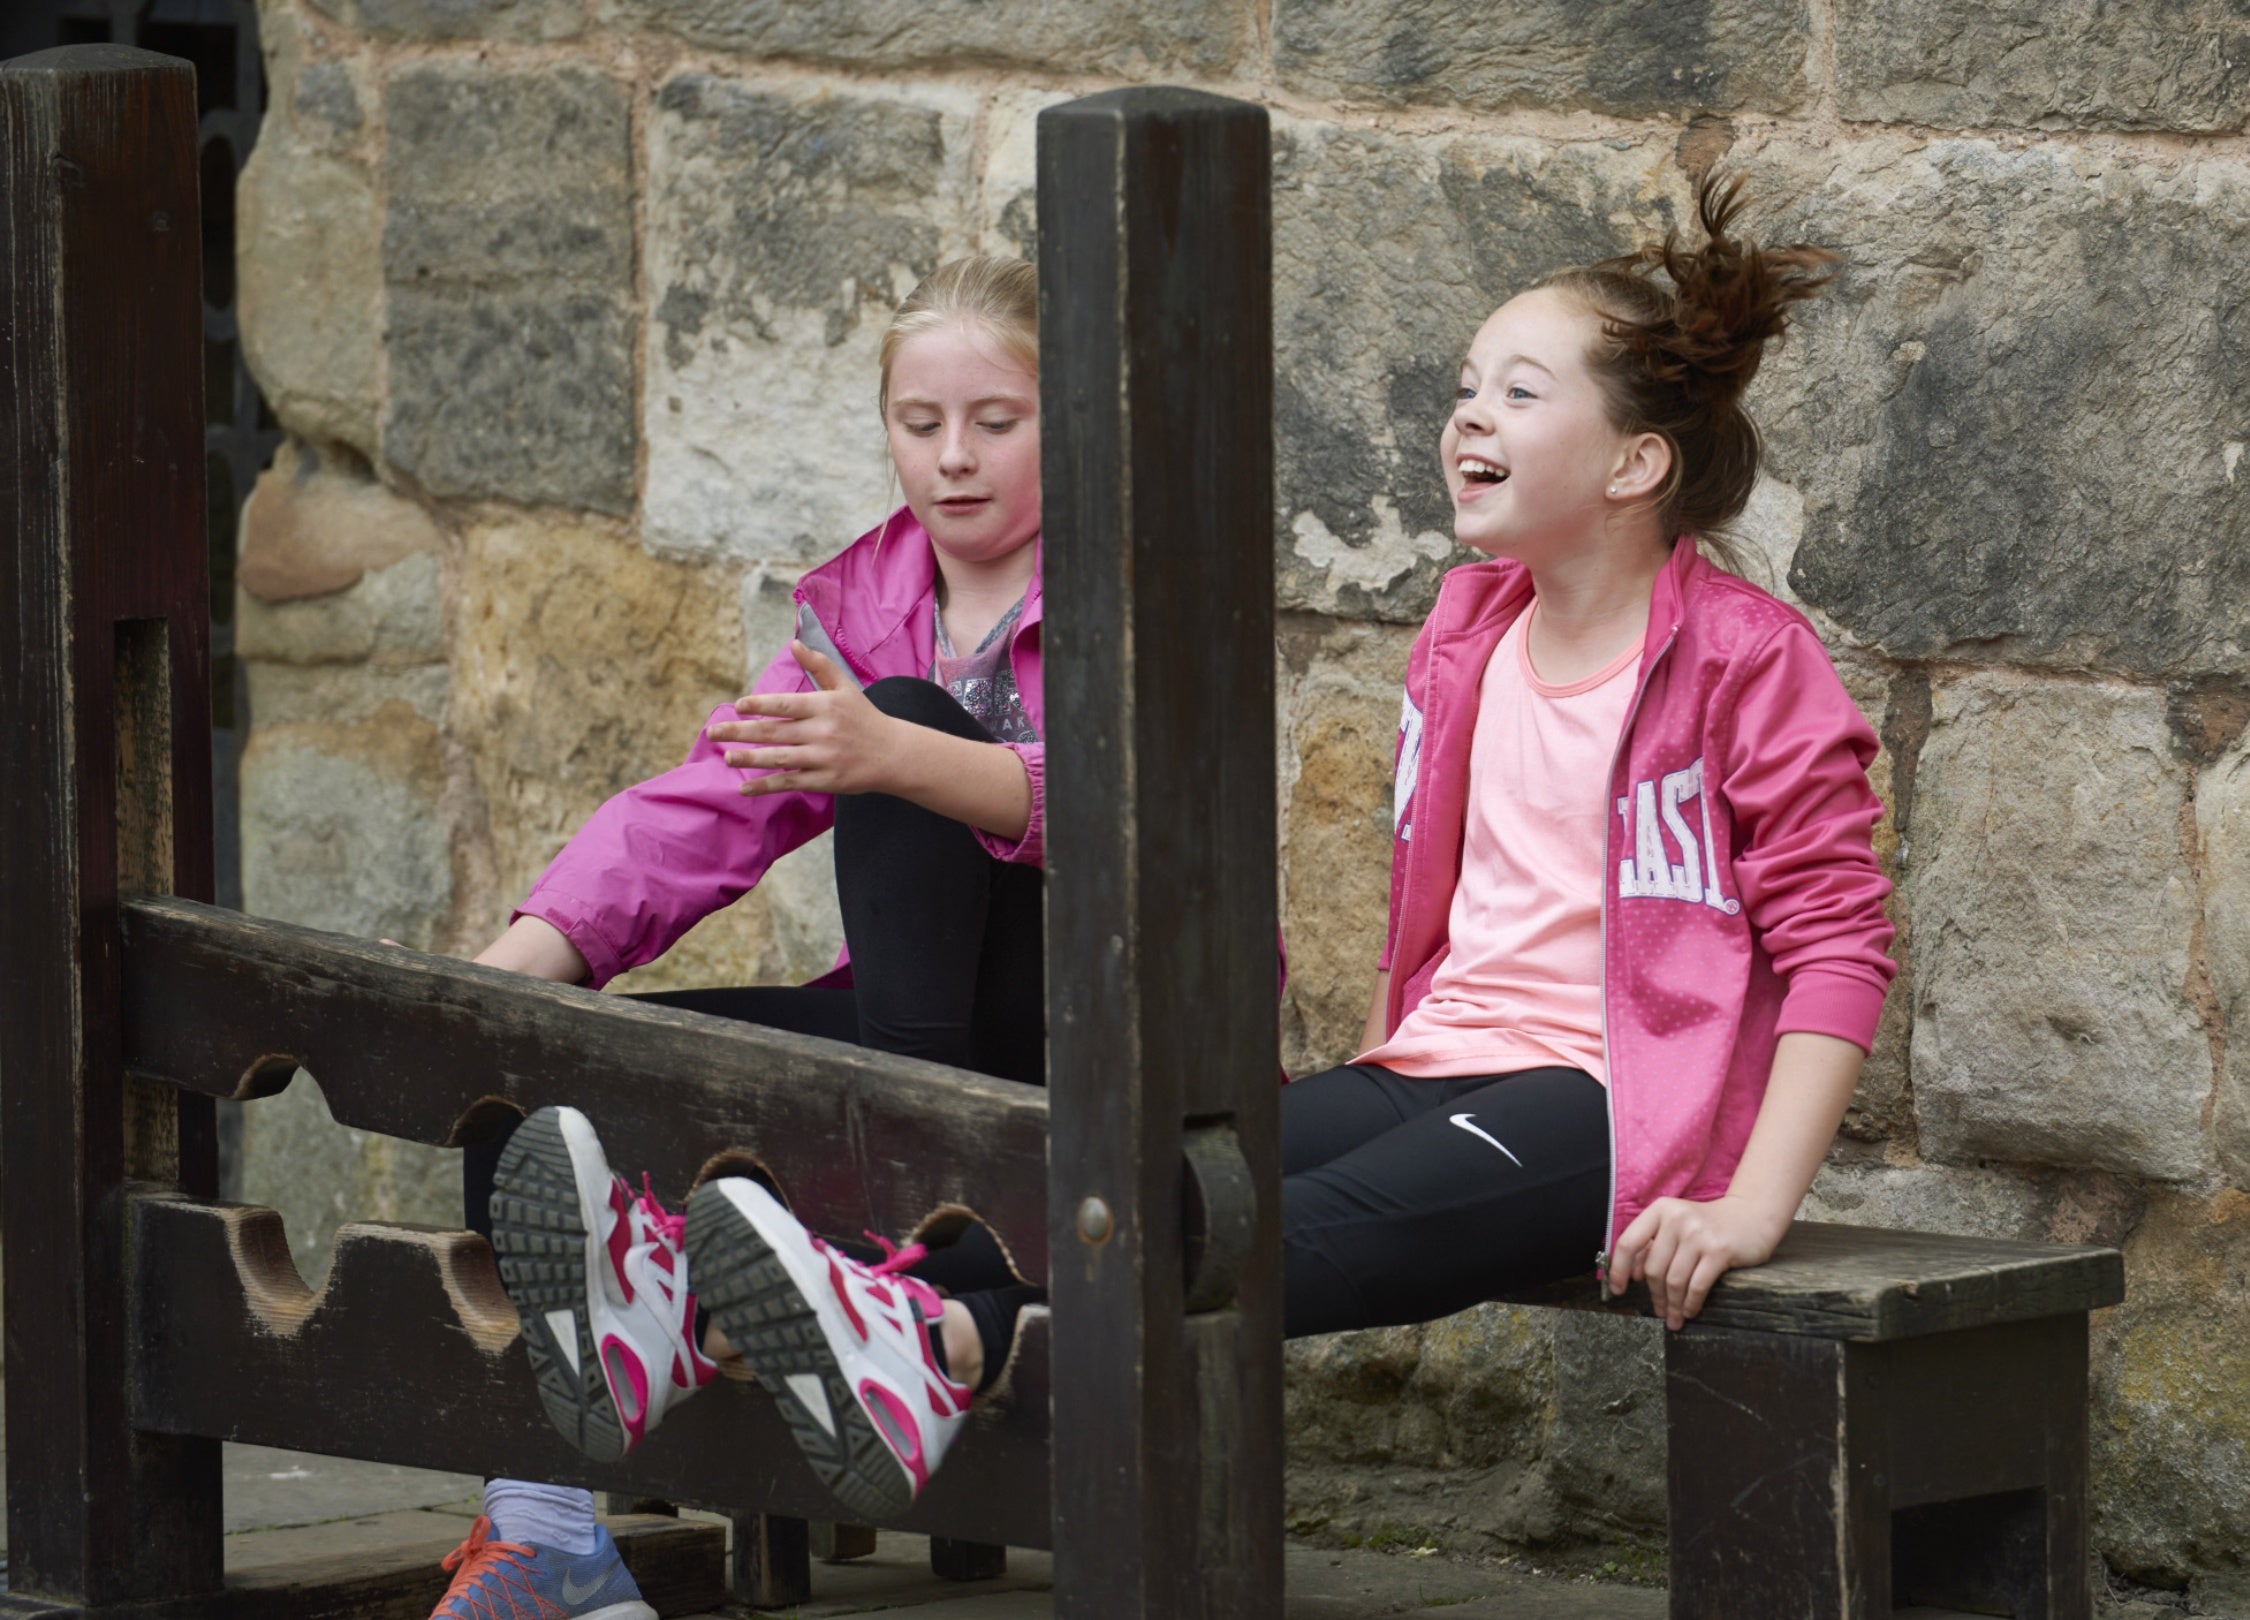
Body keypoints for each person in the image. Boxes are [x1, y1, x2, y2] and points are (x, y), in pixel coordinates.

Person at [608, 169, 1901, 1528]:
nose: (1469, 411)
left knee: (1249, 1240)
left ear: (1636, 464)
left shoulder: (1748, 662)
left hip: (1610, 1106)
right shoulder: (1468, 633)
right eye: (1468, 383)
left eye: (1521, 391)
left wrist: (1750, 1206)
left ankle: (927, 1347)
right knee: (1127, 1188)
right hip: (1431, 1062)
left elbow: (1839, 945)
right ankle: (753, 1326)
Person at [428, 256, 1054, 1620]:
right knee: (533, 1089)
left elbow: (1140, 814)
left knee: (912, 730)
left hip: (1067, 1037)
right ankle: (550, 1535)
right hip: (909, 1029)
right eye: (920, 422)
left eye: (996, 421)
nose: (952, 459)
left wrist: (901, 751)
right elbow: (714, 802)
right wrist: (530, 965)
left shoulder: (1130, 592)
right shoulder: (868, 596)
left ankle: (908, 1256)